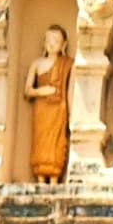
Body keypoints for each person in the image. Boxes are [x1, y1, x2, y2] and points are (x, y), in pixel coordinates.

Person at [20, 23, 71, 182]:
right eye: (48, 40)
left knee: (56, 141)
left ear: (63, 45)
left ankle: (55, 177)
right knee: (40, 142)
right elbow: (27, 90)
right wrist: (42, 91)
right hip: (41, 109)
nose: (51, 44)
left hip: (57, 109)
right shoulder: (37, 64)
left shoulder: (67, 64)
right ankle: (40, 177)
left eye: (56, 40)